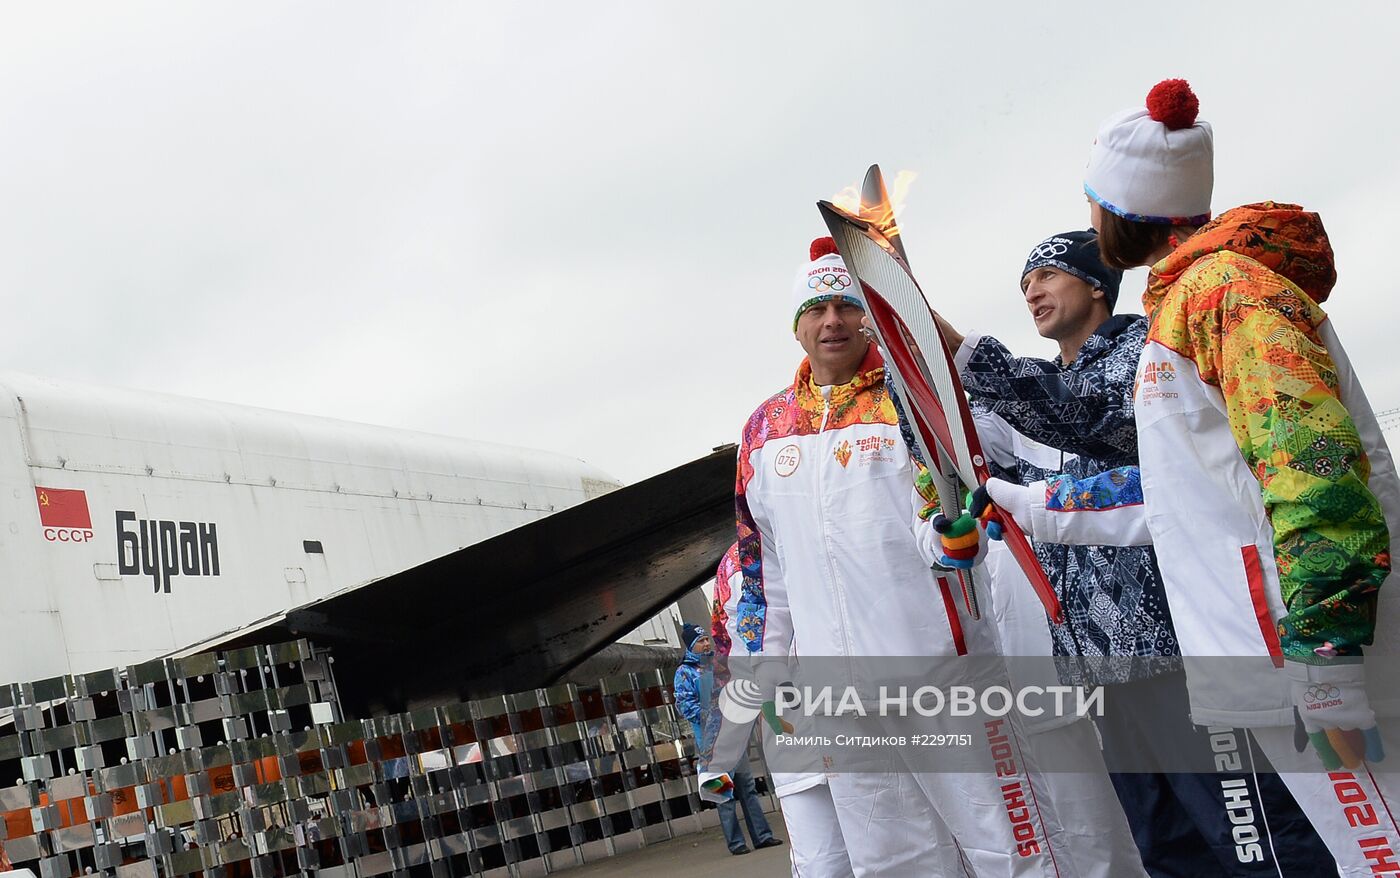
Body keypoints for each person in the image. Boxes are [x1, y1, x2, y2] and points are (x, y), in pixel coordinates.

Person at [984, 79, 1400, 875]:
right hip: (1254, 648)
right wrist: (1027, 501)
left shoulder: (1223, 294)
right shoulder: (1184, 306)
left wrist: (1327, 647)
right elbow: (1174, 492)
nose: (1090, 213)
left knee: (1373, 852)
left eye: (1093, 198)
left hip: (1298, 645)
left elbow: (1314, 466)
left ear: (1124, 208)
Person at [935, 228, 1333, 874]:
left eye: (1047, 274)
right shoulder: (1034, 403)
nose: (1032, 289)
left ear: (1096, 283)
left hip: (1173, 649)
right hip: (1099, 664)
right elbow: (950, 431)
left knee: (1249, 834)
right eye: (1024, 283)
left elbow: (1073, 409)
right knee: (1165, 846)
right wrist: (894, 336)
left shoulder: (1137, 357)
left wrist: (940, 329)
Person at [703, 237, 1077, 877]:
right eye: (817, 309)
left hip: (941, 673)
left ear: (868, 315)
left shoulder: (909, 400)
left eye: (847, 307)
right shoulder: (764, 431)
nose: (833, 322)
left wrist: (951, 541)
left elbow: (941, 512)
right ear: (796, 325)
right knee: (890, 862)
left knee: (1005, 846)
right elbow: (766, 572)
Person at [674, 621, 781, 856]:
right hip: (712, 744)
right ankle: (736, 843)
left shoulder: (718, 665)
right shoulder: (684, 673)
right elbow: (684, 706)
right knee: (723, 794)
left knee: (747, 788)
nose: (706, 643)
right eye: (700, 641)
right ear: (691, 646)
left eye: (706, 639)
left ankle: (762, 836)